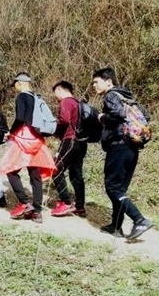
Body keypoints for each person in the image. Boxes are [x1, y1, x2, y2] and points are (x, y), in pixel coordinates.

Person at [92, 68, 153, 240]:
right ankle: (116, 226)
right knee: (120, 188)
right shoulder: (129, 99)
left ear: (109, 82)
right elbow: (146, 117)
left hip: (119, 146)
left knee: (112, 186)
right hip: (132, 147)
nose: (94, 86)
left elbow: (116, 115)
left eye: (96, 82)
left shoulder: (111, 95)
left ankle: (139, 219)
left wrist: (102, 118)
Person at [0, 73, 57, 223]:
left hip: (23, 138)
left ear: (19, 83)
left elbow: (20, 118)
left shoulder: (21, 96)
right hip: (37, 139)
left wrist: (11, 132)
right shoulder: (37, 98)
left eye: (15, 84)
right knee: (35, 175)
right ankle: (37, 211)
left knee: (10, 170)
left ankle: (24, 203)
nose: (15, 88)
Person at [51, 81, 86, 217]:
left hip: (70, 141)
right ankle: (79, 206)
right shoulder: (79, 104)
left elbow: (64, 120)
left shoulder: (66, 102)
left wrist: (54, 129)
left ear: (60, 90)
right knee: (76, 175)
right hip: (81, 143)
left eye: (55, 93)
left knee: (55, 169)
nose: (55, 96)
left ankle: (65, 202)